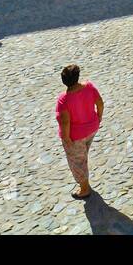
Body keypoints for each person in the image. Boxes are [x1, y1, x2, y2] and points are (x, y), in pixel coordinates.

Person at [56, 64, 104, 200]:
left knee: (77, 162)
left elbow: (65, 122)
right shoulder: (89, 87)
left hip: (75, 136)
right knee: (82, 155)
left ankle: (84, 189)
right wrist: (99, 117)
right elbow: (100, 103)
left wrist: (66, 139)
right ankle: (85, 182)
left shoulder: (63, 100)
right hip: (91, 129)